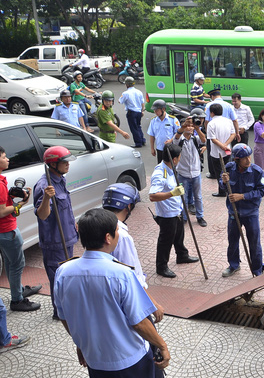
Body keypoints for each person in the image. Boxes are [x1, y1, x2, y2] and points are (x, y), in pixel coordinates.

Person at [54, 208, 171, 376]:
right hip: (130, 361)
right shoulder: (121, 274)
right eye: (117, 230)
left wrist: (81, 344)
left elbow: (64, 315)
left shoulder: (63, 272)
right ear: (108, 238)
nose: (118, 234)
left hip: (95, 359)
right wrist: (162, 346)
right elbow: (139, 322)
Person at [102, 183, 165, 324]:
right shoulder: (122, 236)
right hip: (127, 302)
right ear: (128, 207)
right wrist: (153, 305)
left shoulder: (100, 226)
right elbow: (132, 277)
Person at [33, 146, 79, 320]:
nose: (68, 164)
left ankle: (67, 307)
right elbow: (42, 215)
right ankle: (59, 312)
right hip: (55, 243)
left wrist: (72, 223)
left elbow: (64, 207)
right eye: (64, 162)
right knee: (58, 280)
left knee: (67, 277)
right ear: (53, 164)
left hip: (67, 238)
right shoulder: (45, 185)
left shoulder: (59, 179)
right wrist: (46, 197)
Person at [149, 143, 199, 279]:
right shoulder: (160, 173)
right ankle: (161, 266)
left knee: (179, 235)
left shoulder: (171, 169)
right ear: (175, 159)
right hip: (167, 215)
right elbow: (152, 196)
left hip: (177, 210)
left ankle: (182, 255)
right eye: (180, 157)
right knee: (165, 241)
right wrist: (172, 193)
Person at [0, 145, 41, 312]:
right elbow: (2, 211)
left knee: (10, 263)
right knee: (17, 264)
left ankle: (18, 290)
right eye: (4, 157)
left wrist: (10, 197)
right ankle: (17, 300)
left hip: (3, 232)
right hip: (7, 230)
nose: (7, 159)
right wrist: (20, 204)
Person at [220, 143, 264, 277]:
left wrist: (243, 196)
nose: (248, 160)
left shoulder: (257, 172)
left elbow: (261, 191)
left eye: (249, 156)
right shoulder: (228, 169)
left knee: (254, 242)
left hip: (251, 213)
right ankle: (234, 265)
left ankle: (257, 269)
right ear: (237, 160)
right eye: (244, 158)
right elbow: (221, 186)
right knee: (233, 240)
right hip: (233, 213)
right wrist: (224, 182)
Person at [173, 114, 208, 227]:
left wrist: (197, 128)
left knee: (198, 196)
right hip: (183, 173)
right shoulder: (179, 140)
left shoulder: (195, 139)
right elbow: (176, 137)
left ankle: (200, 216)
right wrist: (183, 127)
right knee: (183, 196)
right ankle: (183, 217)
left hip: (196, 173)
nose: (190, 128)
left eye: (191, 126)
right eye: (188, 126)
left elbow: (204, 140)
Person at [207, 103, 236, 197]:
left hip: (216, 152)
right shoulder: (228, 121)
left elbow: (213, 139)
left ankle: (222, 191)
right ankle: (228, 189)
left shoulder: (211, 123)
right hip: (227, 150)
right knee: (227, 170)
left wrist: (222, 146)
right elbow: (233, 134)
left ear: (212, 113)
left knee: (219, 172)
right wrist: (226, 145)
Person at [147, 99, 180, 164]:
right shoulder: (153, 121)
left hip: (171, 148)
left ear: (163, 109)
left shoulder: (172, 119)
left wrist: (171, 140)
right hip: (160, 149)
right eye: (154, 111)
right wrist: (152, 148)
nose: (155, 112)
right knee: (161, 167)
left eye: (157, 110)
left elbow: (178, 133)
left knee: (172, 167)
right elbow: (152, 135)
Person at [119, 76, 146, 148]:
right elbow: (142, 103)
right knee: (138, 126)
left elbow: (120, 101)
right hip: (138, 112)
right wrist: (142, 111)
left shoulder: (126, 93)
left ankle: (138, 143)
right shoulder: (139, 92)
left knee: (134, 128)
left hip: (132, 112)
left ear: (127, 84)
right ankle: (142, 140)